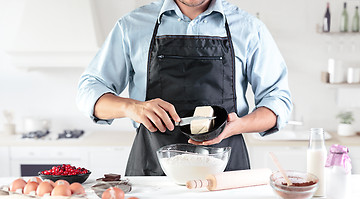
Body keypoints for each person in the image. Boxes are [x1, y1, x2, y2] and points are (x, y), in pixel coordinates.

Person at [77, 0, 292, 176]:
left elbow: (278, 101)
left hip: (225, 174)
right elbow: (89, 89)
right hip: (153, 172)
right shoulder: (132, 25)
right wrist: (131, 107)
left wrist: (239, 125)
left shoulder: (249, 28)